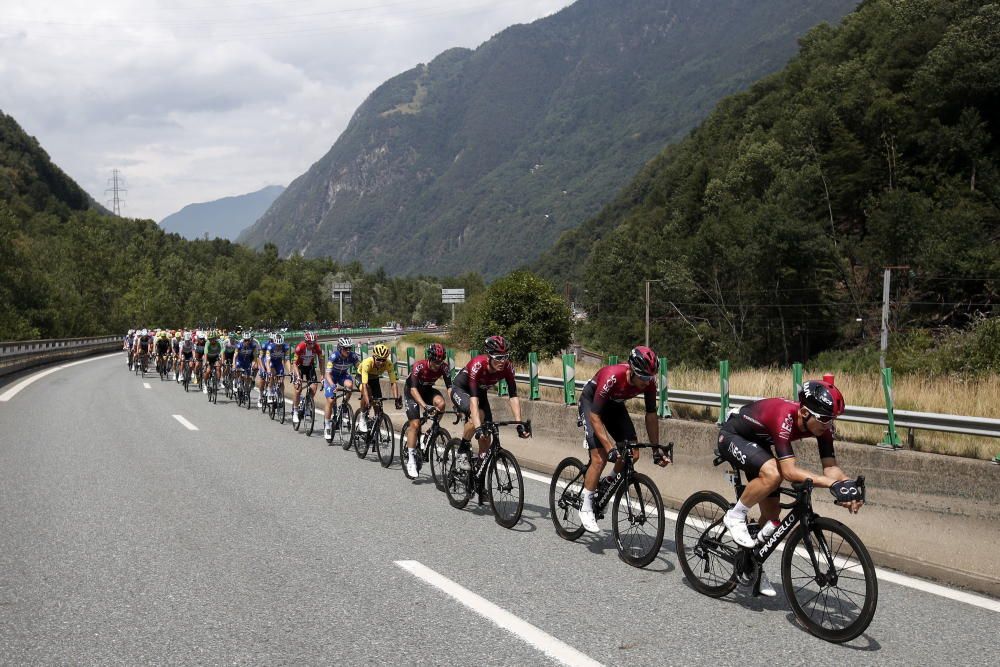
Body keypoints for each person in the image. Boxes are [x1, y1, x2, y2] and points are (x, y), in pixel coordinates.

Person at [717, 379, 862, 597]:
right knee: (774, 474)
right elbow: (789, 471)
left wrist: (848, 486)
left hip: (759, 443)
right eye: (824, 419)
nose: (828, 426)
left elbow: (830, 468)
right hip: (733, 435)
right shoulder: (783, 416)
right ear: (804, 412)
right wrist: (831, 484)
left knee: (772, 515)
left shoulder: (822, 427)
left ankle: (751, 563)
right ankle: (735, 515)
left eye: (832, 420)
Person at [577, 345, 670, 534]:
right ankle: (585, 507)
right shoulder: (613, 376)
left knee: (633, 454)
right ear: (632, 370)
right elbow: (595, 416)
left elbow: (651, 415)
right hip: (591, 403)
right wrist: (610, 447)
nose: (646, 382)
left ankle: (606, 482)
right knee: (600, 457)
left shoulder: (649, 382)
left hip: (615, 407)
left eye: (650, 377)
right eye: (643, 377)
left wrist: (655, 449)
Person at [449, 336, 530, 492]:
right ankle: (462, 451)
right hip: (462, 390)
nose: (502, 361)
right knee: (477, 416)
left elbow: (513, 396)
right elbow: (473, 401)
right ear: (489, 356)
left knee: (487, 438)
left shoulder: (507, 367)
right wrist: (478, 427)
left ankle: (477, 478)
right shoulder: (478, 365)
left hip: (481, 393)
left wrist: (519, 423)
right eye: (498, 357)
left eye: (505, 357)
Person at [402, 342, 451, 478]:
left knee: (441, 404)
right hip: (412, 392)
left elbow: (450, 388)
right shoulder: (419, 366)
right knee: (415, 424)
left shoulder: (444, 368)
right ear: (429, 358)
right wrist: (424, 406)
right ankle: (411, 460)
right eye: (436, 361)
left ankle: (430, 432)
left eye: (441, 361)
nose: (438, 364)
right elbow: (413, 389)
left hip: (428, 390)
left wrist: (457, 405)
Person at [355, 343, 402, 432]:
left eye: (383, 360)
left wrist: (396, 398)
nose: (381, 362)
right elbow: (365, 385)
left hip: (374, 379)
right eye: (379, 359)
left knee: (378, 406)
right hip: (361, 377)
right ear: (374, 357)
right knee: (367, 392)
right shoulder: (367, 363)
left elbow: (393, 383)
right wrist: (367, 400)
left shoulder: (388, 364)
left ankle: (375, 430)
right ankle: (363, 416)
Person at [323, 337, 360, 439]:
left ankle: (343, 405)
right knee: (330, 401)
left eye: (349, 348)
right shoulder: (334, 357)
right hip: (331, 377)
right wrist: (332, 385)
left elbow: (360, 368)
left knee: (349, 385)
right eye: (345, 348)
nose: (348, 350)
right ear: (340, 348)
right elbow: (327, 374)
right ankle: (327, 426)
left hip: (343, 375)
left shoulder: (352, 356)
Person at [292, 331, 325, 426]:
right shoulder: (300, 347)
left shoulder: (317, 347)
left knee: (314, 387)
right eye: (310, 343)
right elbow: (294, 363)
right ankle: (295, 410)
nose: (312, 345)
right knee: (298, 389)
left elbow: (321, 361)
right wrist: (298, 376)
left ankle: (307, 404)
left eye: (314, 342)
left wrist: (322, 375)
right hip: (299, 367)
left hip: (310, 367)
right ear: (306, 342)